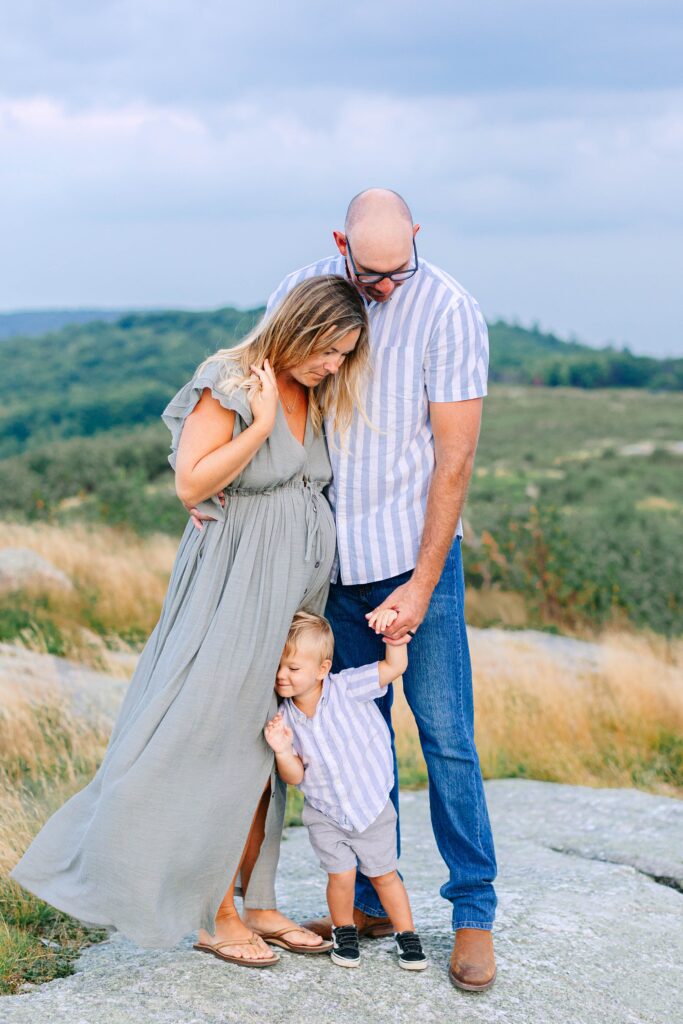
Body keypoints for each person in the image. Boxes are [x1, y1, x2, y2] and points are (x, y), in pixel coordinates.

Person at [11, 275, 369, 967]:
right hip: (235, 583)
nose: (335, 365)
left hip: (295, 586)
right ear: (299, 328)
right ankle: (212, 911)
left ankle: (257, 899)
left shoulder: (316, 388)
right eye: (330, 350)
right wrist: (261, 427)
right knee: (219, 737)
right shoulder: (232, 380)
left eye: (345, 355)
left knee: (275, 736)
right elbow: (191, 482)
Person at [264, 189, 498, 991]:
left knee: (445, 738)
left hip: (415, 559)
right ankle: (366, 897)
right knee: (348, 741)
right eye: (373, 274)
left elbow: (454, 459)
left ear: (416, 242)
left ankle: (472, 912)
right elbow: (273, 407)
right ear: (340, 244)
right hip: (326, 566)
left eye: (400, 269)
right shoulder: (301, 291)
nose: (388, 288)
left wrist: (422, 586)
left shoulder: (450, 309)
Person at [264, 611, 428, 972]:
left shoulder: (347, 686)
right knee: (340, 876)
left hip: (370, 805)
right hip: (325, 813)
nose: (281, 676)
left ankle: (407, 935)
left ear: (322, 669)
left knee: (385, 875)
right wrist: (280, 749)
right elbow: (294, 776)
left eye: (292, 668)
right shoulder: (284, 717)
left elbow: (392, 668)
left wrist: (395, 638)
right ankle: (344, 931)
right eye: (278, 666)